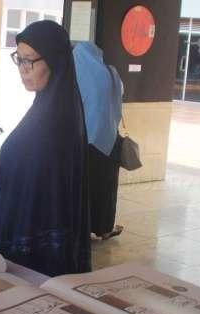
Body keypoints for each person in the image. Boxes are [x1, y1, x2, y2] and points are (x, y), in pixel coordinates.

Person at [0, 20, 91, 277]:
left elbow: (52, 199)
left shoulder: (58, 118)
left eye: (29, 60)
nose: (23, 69)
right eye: (18, 60)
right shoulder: (46, 107)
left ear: (54, 61)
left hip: (35, 255)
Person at [73, 41, 124, 240]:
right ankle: (104, 227)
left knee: (85, 187)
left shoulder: (78, 75)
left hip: (86, 140)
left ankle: (82, 227)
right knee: (107, 187)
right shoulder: (112, 73)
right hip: (111, 139)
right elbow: (120, 97)